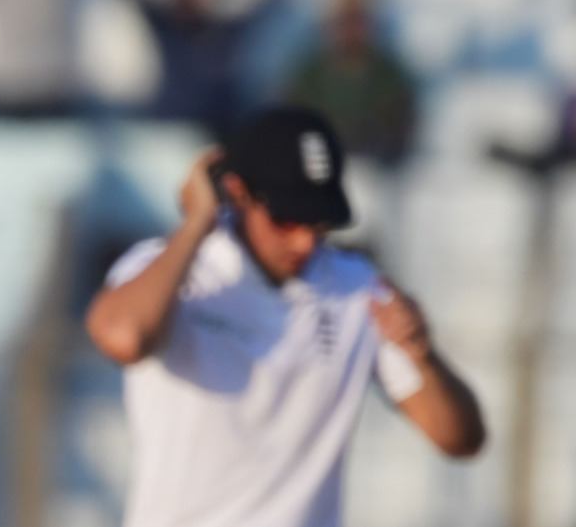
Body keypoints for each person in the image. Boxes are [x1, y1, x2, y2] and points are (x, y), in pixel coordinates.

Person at [84, 106, 485, 527]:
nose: (304, 242)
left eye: (318, 222)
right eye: (287, 219)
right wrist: (196, 222)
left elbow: (460, 440)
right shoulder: (169, 267)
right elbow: (124, 338)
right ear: (236, 192)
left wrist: (423, 355)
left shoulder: (357, 288)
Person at [283, 0, 417, 166]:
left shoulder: (390, 77)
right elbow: (293, 126)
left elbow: (401, 132)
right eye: (346, 21)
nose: (352, 31)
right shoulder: (310, 75)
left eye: (359, 21)